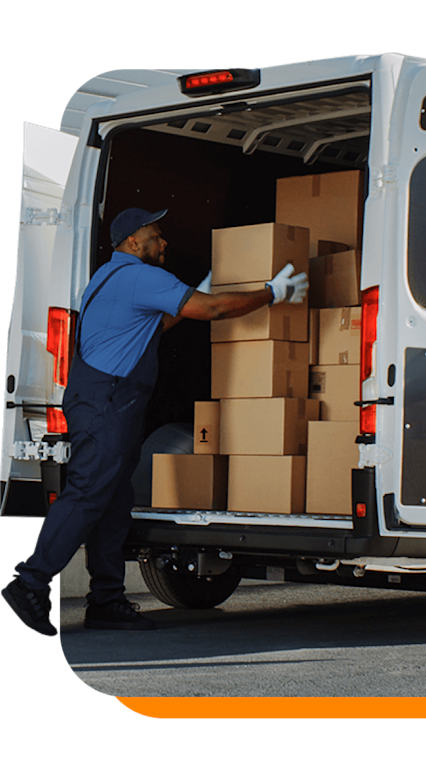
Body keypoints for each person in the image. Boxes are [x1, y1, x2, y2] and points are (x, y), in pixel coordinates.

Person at [2, 208, 308, 637]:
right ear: (133, 242)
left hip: (107, 402)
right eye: (155, 236)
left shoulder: (110, 277)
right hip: (108, 405)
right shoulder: (141, 277)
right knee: (89, 494)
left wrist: (191, 297)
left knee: (112, 504)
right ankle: (30, 581)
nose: (163, 243)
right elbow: (215, 309)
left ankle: (106, 601)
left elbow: (154, 325)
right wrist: (271, 293)